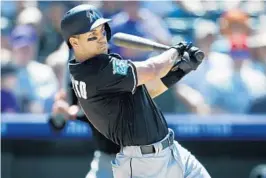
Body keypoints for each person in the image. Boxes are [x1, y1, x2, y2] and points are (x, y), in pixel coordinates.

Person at [60, 4, 210, 178]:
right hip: (143, 164)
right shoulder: (96, 70)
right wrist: (174, 51)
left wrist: (180, 69)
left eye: (101, 31)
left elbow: (145, 91)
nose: (101, 38)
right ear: (74, 42)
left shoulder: (90, 68)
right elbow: (152, 68)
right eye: (92, 36)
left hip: (169, 150)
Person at [49, 49, 120, 178]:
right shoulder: (75, 73)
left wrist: (76, 113)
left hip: (136, 157)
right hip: (106, 157)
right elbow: (57, 125)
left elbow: (104, 113)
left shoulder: (112, 66)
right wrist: (59, 113)